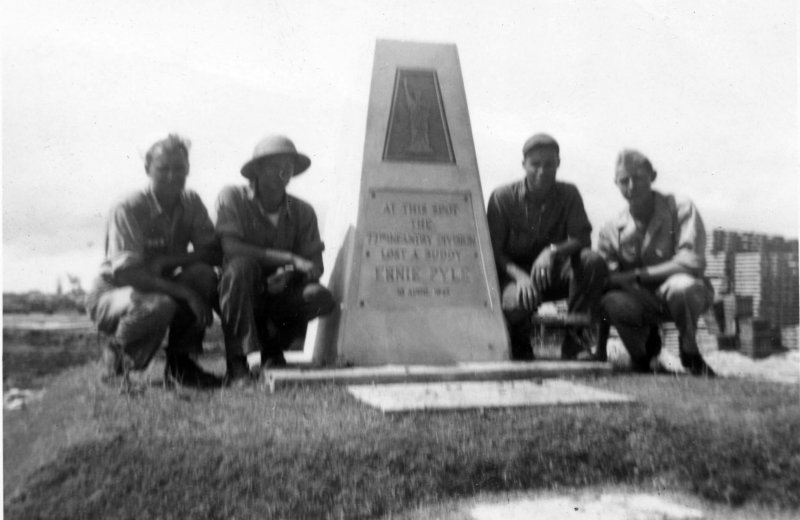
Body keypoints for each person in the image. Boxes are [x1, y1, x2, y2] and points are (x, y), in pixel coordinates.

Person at [86, 133, 222, 388]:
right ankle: (117, 361)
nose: (172, 176)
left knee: (203, 275)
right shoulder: (128, 206)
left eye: (179, 168)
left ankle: (181, 365)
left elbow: (213, 252)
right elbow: (128, 274)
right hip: (114, 293)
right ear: (147, 169)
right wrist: (187, 294)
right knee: (159, 305)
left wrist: (167, 261)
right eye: (163, 168)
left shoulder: (191, 202)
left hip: (159, 286)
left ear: (188, 169)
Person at [216, 135, 335, 384]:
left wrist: (289, 273)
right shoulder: (233, 197)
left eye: (288, 166)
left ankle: (273, 349)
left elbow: (315, 265)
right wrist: (289, 257)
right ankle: (236, 364)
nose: (283, 172)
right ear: (257, 170)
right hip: (237, 291)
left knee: (318, 297)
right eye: (274, 166)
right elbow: (232, 249)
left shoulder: (303, 211)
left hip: (280, 293)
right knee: (240, 268)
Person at [487, 133, 608, 360]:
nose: (542, 171)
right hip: (516, 276)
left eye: (549, 164)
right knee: (515, 304)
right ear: (523, 164)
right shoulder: (502, 197)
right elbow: (493, 250)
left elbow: (582, 238)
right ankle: (519, 343)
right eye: (535, 164)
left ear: (558, 163)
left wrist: (552, 251)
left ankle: (575, 341)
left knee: (591, 261)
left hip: (554, 274)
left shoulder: (569, 193)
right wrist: (520, 277)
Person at [597, 149, 716, 376]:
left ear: (653, 176)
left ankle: (689, 350)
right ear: (616, 183)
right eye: (624, 180)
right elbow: (607, 282)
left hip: (683, 297)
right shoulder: (611, 228)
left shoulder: (680, 207)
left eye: (639, 178)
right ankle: (642, 356)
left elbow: (691, 263)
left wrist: (635, 275)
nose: (632, 186)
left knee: (683, 285)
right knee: (612, 301)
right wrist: (599, 349)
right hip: (641, 300)